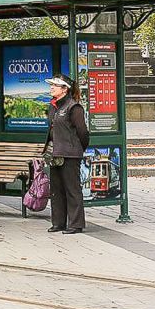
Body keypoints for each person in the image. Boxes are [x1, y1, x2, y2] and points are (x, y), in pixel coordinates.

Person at [44, 73, 90, 235]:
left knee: (72, 189)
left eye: (55, 85)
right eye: (51, 85)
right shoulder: (53, 106)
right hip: (55, 153)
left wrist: (77, 148)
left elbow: (83, 133)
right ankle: (58, 223)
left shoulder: (73, 107)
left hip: (70, 154)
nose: (51, 87)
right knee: (56, 189)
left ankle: (76, 224)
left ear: (64, 89)